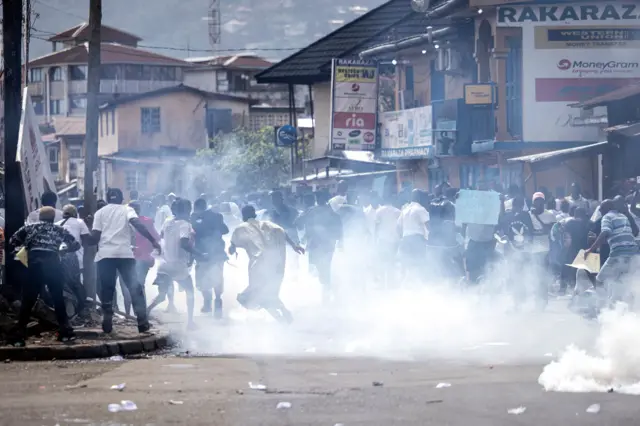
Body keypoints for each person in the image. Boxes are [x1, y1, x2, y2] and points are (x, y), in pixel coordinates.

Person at [89, 188, 161, 334]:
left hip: (105, 256)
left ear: (108, 199)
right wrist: (152, 240)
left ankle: (107, 321)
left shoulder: (99, 213)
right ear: (122, 199)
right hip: (124, 255)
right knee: (135, 287)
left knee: (107, 288)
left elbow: (95, 238)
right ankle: (142, 322)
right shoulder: (127, 209)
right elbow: (137, 223)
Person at [8, 207, 81, 346]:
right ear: (53, 218)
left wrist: (23, 248)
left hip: (34, 265)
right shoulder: (60, 229)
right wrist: (63, 251)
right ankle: (65, 333)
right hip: (53, 265)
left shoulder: (30, 228)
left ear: (40, 217)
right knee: (58, 299)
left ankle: (19, 336)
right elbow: (75, 245)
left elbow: (13, 240)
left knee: (28, 301)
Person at [230, 205, 304, 323]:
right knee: (268, 293)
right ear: (254, 214)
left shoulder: (241, 228)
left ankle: (282, 316)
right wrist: (294, 245)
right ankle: (283, 315)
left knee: (256, 296)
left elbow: (233, 243)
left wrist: (232, 249)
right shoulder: (269, 225)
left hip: (258, 266)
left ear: (243, 215)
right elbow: (282, 232)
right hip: (276, 264)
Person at [149, 198, 203, 329]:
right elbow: (184, 243)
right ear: (187, 210)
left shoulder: (167, 222)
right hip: (178, 266)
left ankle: (145, 312)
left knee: (161, 295)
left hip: (165, 265)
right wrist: (199, 254)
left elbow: (162, 236)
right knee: (190, 292)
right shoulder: (185, 224)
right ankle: (190, 322)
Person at [586, 199, 639, 306]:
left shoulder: (607, 217)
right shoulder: (623, 217)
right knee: (620, 282)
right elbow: (617, 236)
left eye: (601, 208)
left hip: (618, 254)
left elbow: (605, 232)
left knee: (599, 281)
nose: (600, 210)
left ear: (607, 208)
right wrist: (598, 240)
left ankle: (601, 307)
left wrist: (590, 250)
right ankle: (623, 309)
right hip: (633, 254)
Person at [295, 191, 342, 303]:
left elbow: (297, 222)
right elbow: (339, 230)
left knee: (323, 270)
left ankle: (327, 295)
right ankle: (328, 293)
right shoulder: (322, 212)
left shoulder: (312, 211)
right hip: (323, 246)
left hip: (319, 246)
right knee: (323, 270)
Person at [191, 197, 229, 317]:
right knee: (211, 278)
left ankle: (212, 303)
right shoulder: (214, 216)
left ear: (197, 207)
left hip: (209, 254)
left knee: (207, 279)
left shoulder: (197, 218)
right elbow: (225, 230)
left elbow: (224, 230)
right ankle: (213, 302)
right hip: (210, 254)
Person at [56, 204, 91, 320]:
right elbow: (87, 240)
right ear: (75, 213)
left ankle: (70, 310)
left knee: (65, 284)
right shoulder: (80, 222)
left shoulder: (56, 224)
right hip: (76, 257)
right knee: (76, 282)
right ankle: (81, 308)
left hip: (60, 258)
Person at [129, 201, 160, 297]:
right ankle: (141, 309)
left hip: (129, 258)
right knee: (140, 285)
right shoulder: (147, 221)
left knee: (130, 286)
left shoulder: (124, 222)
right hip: (143, 258)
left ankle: (129, 310)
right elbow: (156, 238)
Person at [397, 189, 429, 277]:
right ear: (419, 197)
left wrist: (402, 237)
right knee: (419, 264)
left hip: (405, 239)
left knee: (408, 265)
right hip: (417, 239)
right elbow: (428, 224)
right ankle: (419, 285)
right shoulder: (420, 209)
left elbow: (398, 226)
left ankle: (408, 284)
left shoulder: (405, 210)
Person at [374, 196, 401, 286]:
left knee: (382, 261)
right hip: (393, 239)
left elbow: (376, 226)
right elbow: (399, 226)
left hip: (382, 239)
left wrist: (375, 237)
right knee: (391, 261)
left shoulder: (378, 211)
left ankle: (382, 283)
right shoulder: (397, 212)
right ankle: (391, 282)